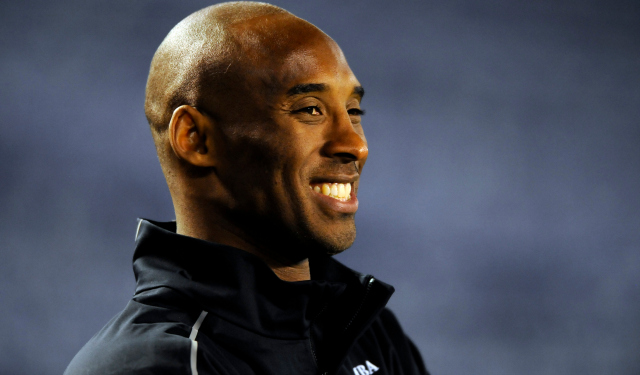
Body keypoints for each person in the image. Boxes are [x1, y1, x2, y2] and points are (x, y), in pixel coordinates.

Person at [64, 2, 428, 374]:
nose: (356, 145)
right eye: (310, 109)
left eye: (353, 111)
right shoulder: (156, 366)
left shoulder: (370, 334)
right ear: (195, 138)